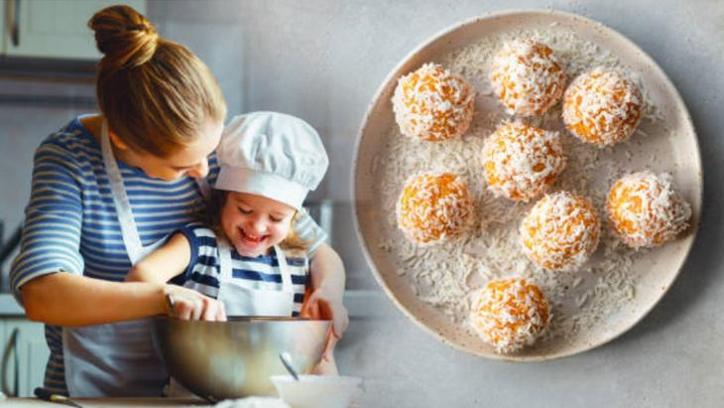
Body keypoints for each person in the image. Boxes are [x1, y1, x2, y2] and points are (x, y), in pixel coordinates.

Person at [9, 4, 346, 397]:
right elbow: (43, 294)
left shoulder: (229, 155)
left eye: (210, 152)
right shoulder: (71, 159)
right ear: (122, 140)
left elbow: (315, 248)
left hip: (203, 396)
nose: (205, 171)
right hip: (103, 395)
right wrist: (162, 296)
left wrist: (327, 293)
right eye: (182, 166)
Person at [127, 111, 346, 374]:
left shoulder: (296, 261)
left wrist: (328, 292)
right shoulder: (201, 244)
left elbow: (327, 256)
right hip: (197, 397)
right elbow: (142, 275)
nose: (258, 225)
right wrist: (173, 297)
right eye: (244, 210)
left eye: (276, 218)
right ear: (223, 200)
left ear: (295, 220)